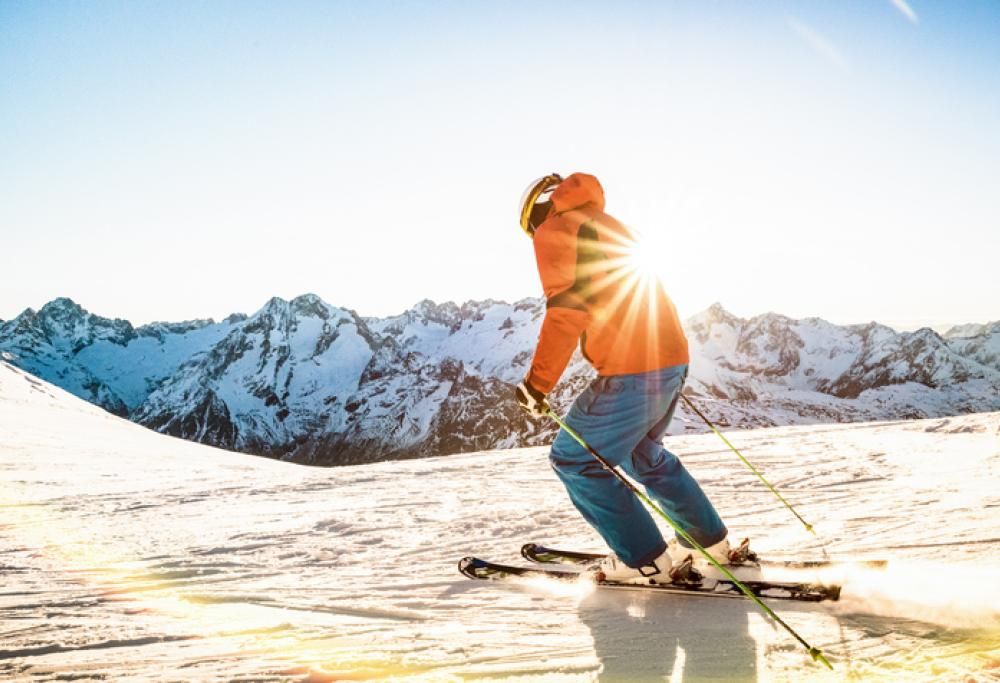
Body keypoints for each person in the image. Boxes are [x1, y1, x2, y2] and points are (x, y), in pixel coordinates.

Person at [514, 172, 741, 584]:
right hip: (668, 356)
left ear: (538, 212)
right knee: (643, 456)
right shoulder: (609, 225)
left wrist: (536, 385)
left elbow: (566, 312)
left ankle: (644, 559)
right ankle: (708, 544)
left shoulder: (556, 229)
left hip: (634, 368)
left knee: (573, 459)